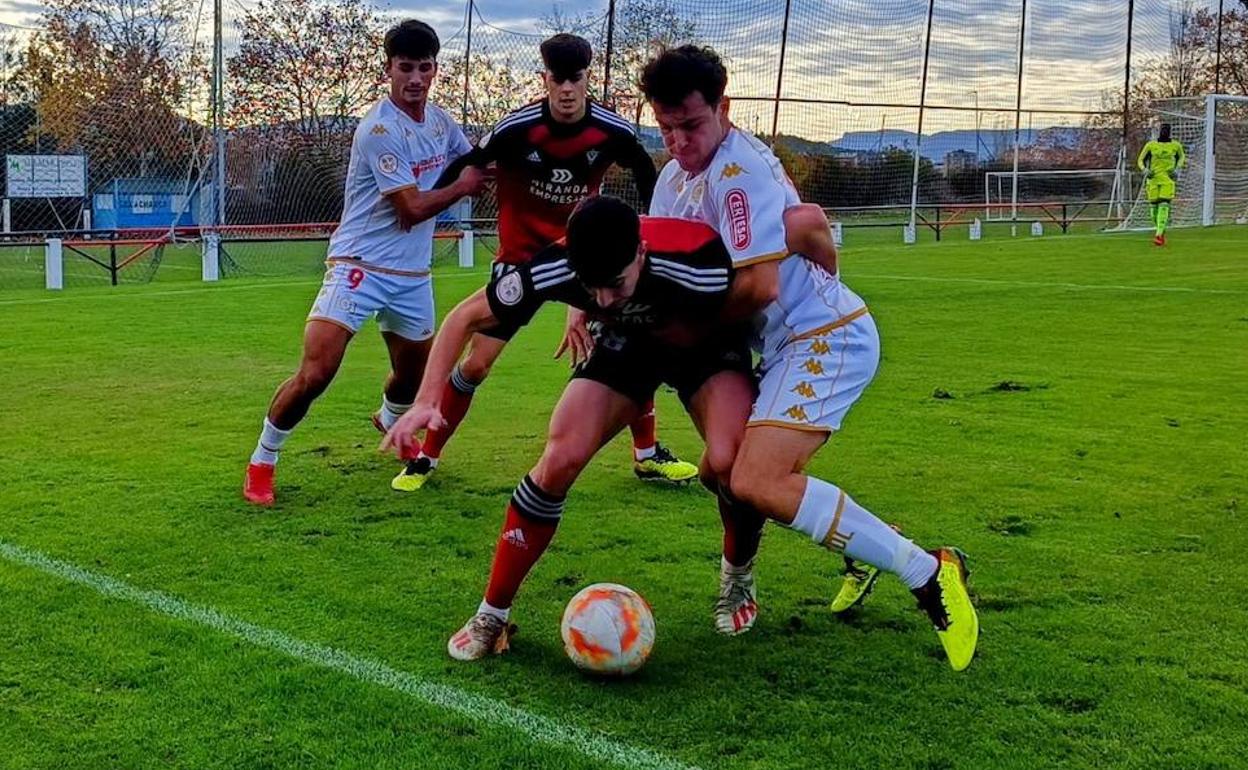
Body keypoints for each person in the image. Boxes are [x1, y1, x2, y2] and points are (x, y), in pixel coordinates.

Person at [382, 195, 847, 656]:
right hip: (628, 346)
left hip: (704, 346)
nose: (602, 297)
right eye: (591, 286)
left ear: (641, 254)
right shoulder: (557, 266)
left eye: (615, 283)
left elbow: (774, 271)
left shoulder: (700, 262)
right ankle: (492, 614)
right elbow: (465, 317)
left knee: (731, 465)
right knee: (559, 459)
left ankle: (737, 579)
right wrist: (425, 400)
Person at [642, 45, 979, 670]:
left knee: (755, 480)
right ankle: (868, 550)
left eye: (690, 125)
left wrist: (675, 329)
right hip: (783, 345)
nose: (679, 141)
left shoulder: (740, 174)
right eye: (665, 128)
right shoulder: (672, 179)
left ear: (724, 107)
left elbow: (758, 287)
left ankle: (930, 572)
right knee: (723, 472)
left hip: (825, 335)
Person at [390, 33, 699, 492]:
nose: (568, 89)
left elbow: (646, 173)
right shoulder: (516, 129)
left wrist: (652, 232)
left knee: (633, 341)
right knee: (477, 365)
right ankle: (427, 455)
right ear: (546, 80)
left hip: (586, 260)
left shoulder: (613, 131)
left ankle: (647, 455)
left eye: (577, 78)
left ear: (587, 79)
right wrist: (425, 205)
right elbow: (467, 166)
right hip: (521, 261)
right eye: (559, 79)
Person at [243, 19, 486, 506]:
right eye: (405, 68)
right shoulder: (379, 129)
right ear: (388, 70)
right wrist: (462, 187)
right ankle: (262, 462)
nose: (415, 78)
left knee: (411, 374)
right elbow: (411, 208)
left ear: (435, 69)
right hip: (359, 264)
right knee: (317, 372)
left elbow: (477, 159)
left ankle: (391, 420)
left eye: (424, 67)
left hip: (412, 275)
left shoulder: (440, 122)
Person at [1137, 123, 1186, 246]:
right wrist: (1145, 170)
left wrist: (1177, 169)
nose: (1164, 131)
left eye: (1167, 130)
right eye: (1163, 129)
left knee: (1164, 204)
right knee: (1154, 209)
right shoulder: (1151, 145)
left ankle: (1158, 235)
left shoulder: (1176, 145)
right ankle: (1161, 230)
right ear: (1159, 131)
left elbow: (1181, 157)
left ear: (1169, 132)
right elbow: (1140, 160)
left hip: (1167, 180)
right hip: (1153, 180)